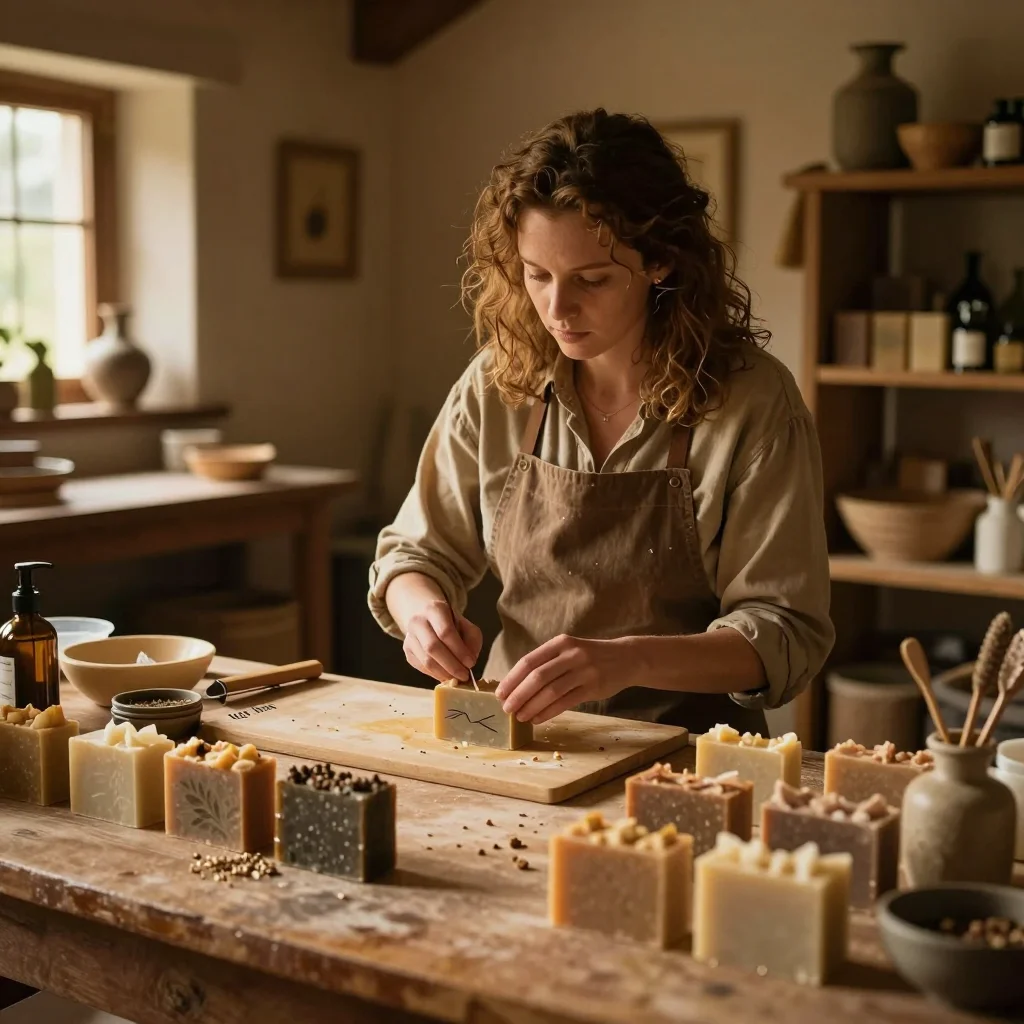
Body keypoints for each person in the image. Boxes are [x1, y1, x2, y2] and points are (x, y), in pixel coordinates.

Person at [368, 108, 833, 735]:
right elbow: (414, 553)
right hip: (516, 739)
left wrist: (629, 660)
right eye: (537, 275)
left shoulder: (752, 401)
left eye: (592, 280)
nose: (557, 308)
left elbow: (786, 630)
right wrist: (422, 612)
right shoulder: (499, 381)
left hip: (688, 756)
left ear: (660, 261)